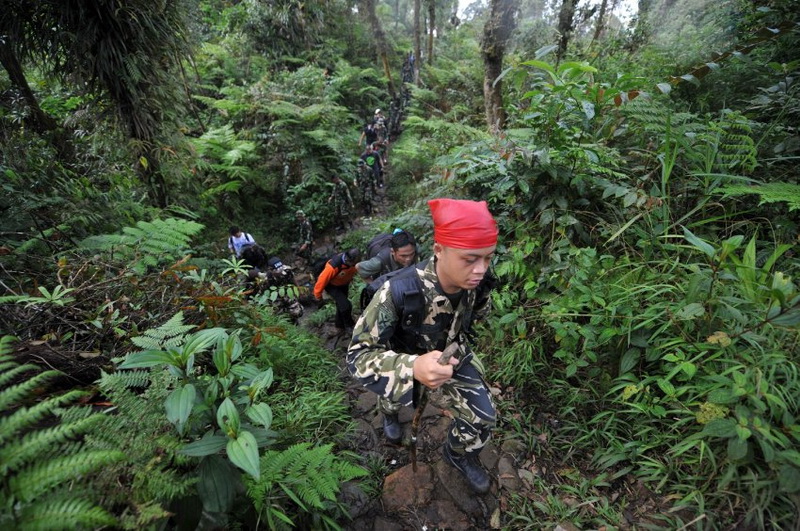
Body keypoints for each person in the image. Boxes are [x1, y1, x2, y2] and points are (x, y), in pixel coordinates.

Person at [346, 198, 498, 494]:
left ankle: (458, 453)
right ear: (439, 251)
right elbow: (358, 356)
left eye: (488, 258)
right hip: (404, 357)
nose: (480, 269)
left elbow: (478, 314)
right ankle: (389, 413)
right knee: (393, 399)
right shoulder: (399, 291)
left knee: (483, 416)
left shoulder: (479, 281)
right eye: (469, 259)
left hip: (453, 353)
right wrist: (412, 367)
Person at [314, 248, 362, 333]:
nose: (354, 265)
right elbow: (321, 281)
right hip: (332, 286)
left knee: (341, 305)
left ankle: (339, 325)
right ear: (348, 260)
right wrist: (318, 296)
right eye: (353, 263)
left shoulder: (353, 263)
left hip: (343, 283)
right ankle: (349, 326)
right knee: (346, 305)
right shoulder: (333, 266)